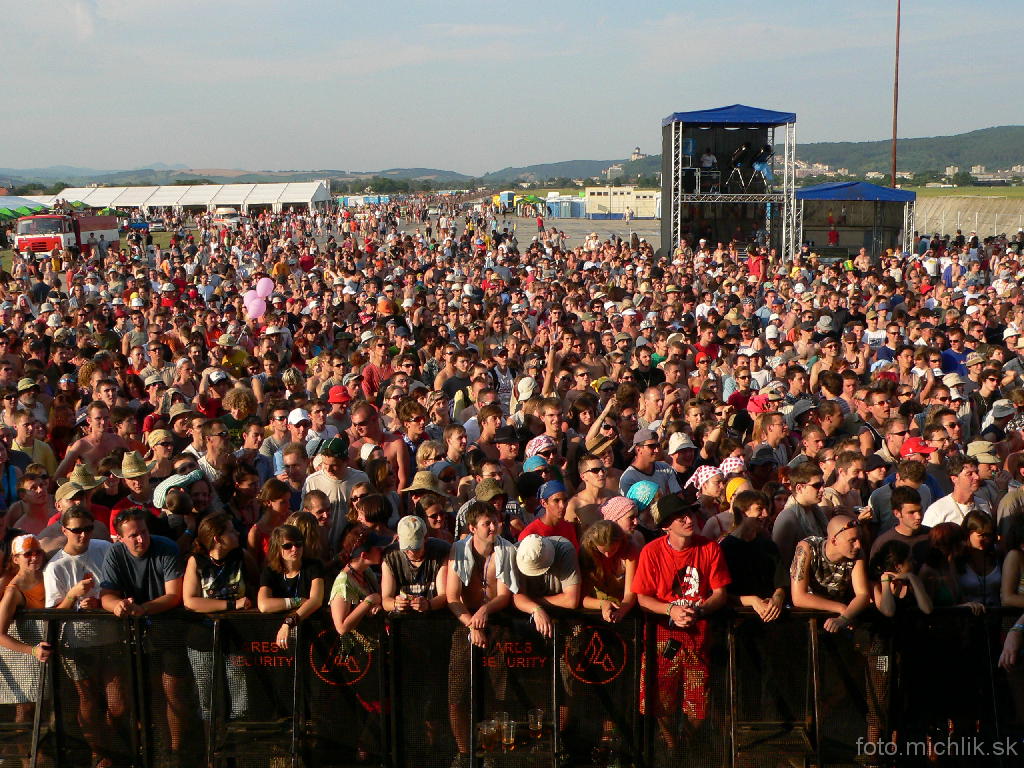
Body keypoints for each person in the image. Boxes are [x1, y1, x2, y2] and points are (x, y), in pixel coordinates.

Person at [632, 494, 730, 752]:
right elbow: (642, 597)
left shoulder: (709, 548)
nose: (689, 520)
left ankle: (687, 743)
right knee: (658, 698)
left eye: (690, 514)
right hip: (662, 635)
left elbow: (720, 593)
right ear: (666, 525)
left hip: (699, 636)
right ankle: (671, 744)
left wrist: (700, 609)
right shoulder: (651, 552)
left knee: (700, 700)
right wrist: (671, 610)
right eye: (681, 517)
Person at [99, 508, 190, 760]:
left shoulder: (166, 547)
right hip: (128, 635)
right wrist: (117, 606)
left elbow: (174, 595)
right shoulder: (114, 553)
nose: (140, 539)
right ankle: (119, 754)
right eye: (133, 536)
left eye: (143, 532)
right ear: (120, 538)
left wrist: (142, 609)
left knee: (172, 691)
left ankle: (176, 752)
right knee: (123, 698)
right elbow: (106, 595)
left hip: (166, 629)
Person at [44, 506, 117, 767]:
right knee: (88, 700)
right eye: (77, 530)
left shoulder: (104, 548)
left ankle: (116, 749)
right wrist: (74, 596)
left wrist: (102, 602)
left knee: (118, 702)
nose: (83, 535)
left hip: (111, 638)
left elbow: (118, 585)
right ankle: (100, 754)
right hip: (76, 644)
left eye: (87, 528)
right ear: (64, 531)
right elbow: (52, 612)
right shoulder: (55, 566)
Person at [789, 515, 871, 632]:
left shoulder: (857, 554)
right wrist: (841, 608)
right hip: (807, 618)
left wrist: (844, 617)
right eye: (852, 540)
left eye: (859, 539)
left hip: (838, 620)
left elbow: (863, 594)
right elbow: (799, 597)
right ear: (834, 541)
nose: (858, 545)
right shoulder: (808, 548)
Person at [720, 490, 786, 622]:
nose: (765, 514)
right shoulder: (725, 548)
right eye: (759, 509)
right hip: (738, 621)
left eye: (766, 509)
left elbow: (782, 583)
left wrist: (778, 598)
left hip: (771, 618)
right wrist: (751, 600)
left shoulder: (769, 546)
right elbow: (720, 593)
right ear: (743, 513)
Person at [257, 523, 325, 649]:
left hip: (312, 635)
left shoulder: (314, 566)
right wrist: (298, 601)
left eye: (298, 544)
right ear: (277, 549)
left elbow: (316, 600)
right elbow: (263, 605)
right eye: (288, 546)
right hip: (277, 637)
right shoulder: (270, 571)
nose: (294, 549)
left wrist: (288, 623)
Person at [380, 515, 449, 613]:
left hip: (436, 617)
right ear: (398, 539)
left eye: (415, 547)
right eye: (406, 548)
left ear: (425, 538)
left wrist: (428, 604)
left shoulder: (441, 552)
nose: (411, 552)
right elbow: (386, 600)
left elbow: (444, 596)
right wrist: (396, 603)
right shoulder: (390, 556)